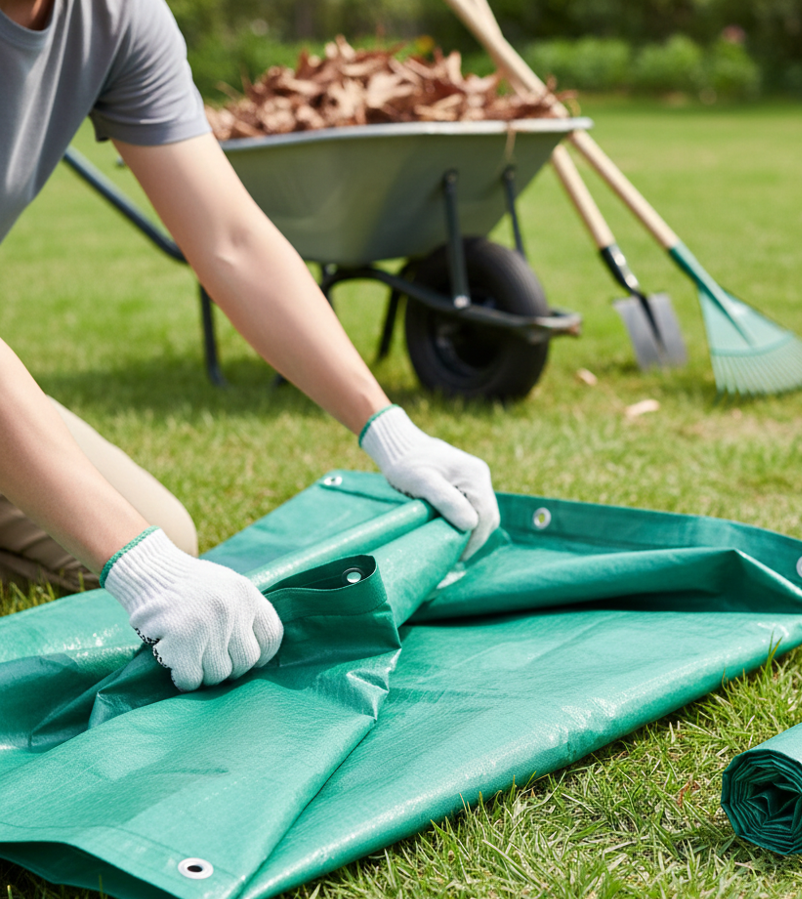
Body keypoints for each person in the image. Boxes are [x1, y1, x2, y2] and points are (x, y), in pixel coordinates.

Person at [0, 0, 501, 691]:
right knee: (131, 546)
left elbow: (232, 241)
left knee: (158, 531)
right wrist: (136, 568)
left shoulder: (115, 16)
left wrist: (386, 427)